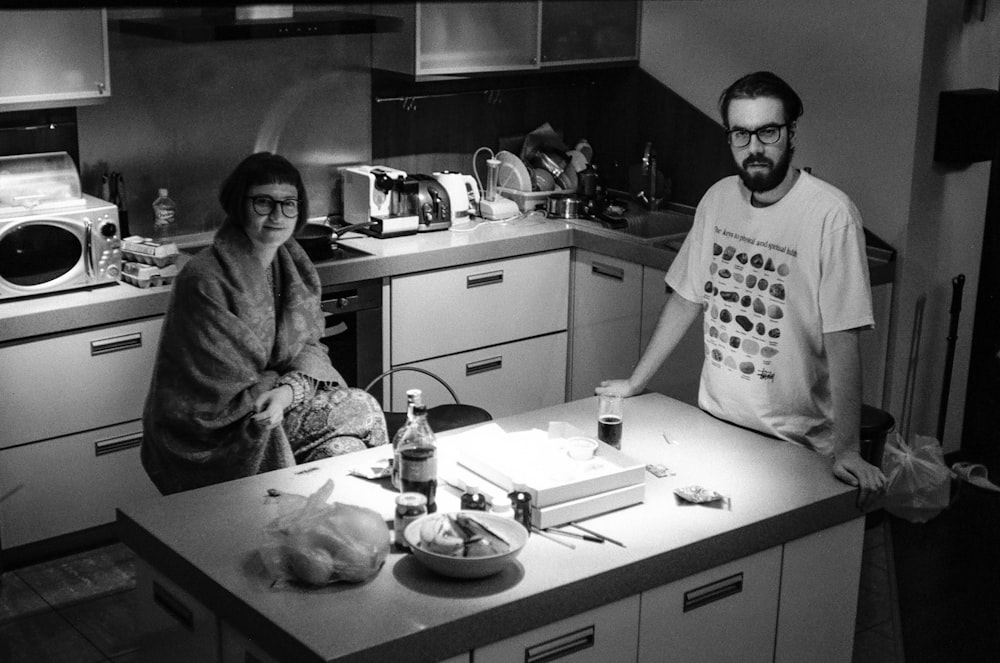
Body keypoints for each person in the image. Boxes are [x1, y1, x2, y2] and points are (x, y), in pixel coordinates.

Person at [597, 71, 886, 501]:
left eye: (767, 132)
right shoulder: (718, 200)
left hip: (794, 444)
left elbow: (843, 339)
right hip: (715, 424)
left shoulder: (831, 216)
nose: (754, 148)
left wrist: (847, 450)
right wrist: (636, 382)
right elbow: (684, 301)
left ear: (791, 134)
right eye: (740, 134)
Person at [142, 152, 388, 494]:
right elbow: (221, 382)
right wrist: (279, 387)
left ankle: (334, 536)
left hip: (275, 404)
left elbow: (308, 346)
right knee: (361, 408)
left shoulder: (292, 265)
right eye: (263, 202)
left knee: (343, 450)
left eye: (289, 203)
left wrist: (287, 393)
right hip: (212, 430)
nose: (277, 215)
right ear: (238, 204)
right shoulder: (203, 278)